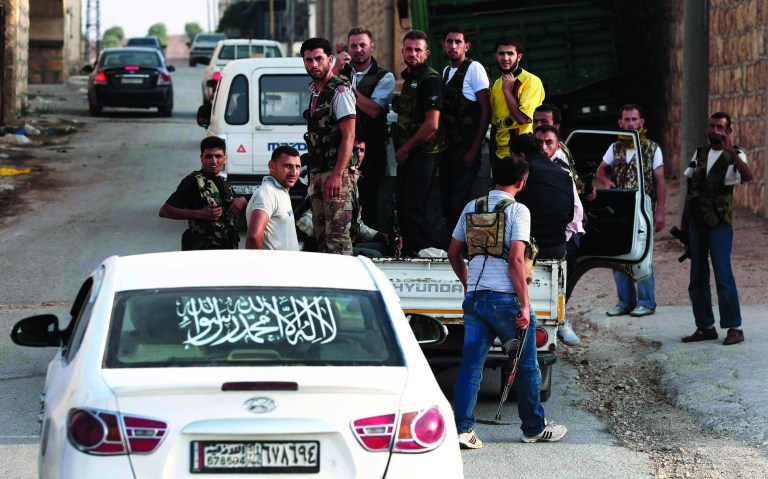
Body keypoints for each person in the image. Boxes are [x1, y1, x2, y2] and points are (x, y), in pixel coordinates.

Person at [448, 154, 567, 448]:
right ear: (522, 181)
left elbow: (453, 251)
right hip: (505, 301)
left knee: (471, 365)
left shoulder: (471, 207)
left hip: (475, 299)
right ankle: (533, 428)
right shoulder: (519, 212)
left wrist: (467, 282)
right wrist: (525, 306)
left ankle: (463, 429)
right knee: (526, 364)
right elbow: (515, 259)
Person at [681, 112, 753, 346]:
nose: (715, 131)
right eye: (712, 126)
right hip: (697, 223)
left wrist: (731, 151)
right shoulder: (700, 153)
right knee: (697, 276)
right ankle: (705, 326)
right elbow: (691, 188)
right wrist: (684, 224)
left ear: (728, 131)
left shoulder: (736, 154)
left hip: (720, 224)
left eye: (720, 127)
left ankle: (735, 327)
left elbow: (748, 177)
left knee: (723, 275)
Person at [596, 104, 666, 317]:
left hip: (642, 209)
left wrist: (660, 212)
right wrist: (605, 182)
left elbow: (660, 181)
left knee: (642, 256)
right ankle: (625, 301)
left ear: (641, 122)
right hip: (619, 209)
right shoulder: (615, 147)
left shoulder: (652, 148)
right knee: (619, 255)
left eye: (634, 119)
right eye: (626, 119)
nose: (630, 123)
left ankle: (646, 301)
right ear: (620, 123)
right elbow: (601, 170)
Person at [392, 30, 447, 256]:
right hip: (410, 154)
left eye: (417, 50)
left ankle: (426, 254)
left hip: (423, 153)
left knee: (414, 207)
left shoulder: (429, 79)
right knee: (404, 208)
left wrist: (405, 148)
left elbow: (432, 123)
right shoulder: (410, 78)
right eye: (408, 49)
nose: (412, 53)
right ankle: (411, 253)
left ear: (426, 53)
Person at [301, 37, 357, 255]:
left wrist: (337, 174)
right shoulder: (315, 92)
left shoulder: (339, 91)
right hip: (318, 173)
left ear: (330, 60)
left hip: (337, 175)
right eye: (308, 60)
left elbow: (349, 135)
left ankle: (346, 288)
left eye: (318, 59)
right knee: (322, 239)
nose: (314, 64)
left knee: (338, 241)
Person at [297, 139, 394, 257]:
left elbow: (356, 223)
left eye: (361, 150)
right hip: (327, 248)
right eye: (354, 149)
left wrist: (378, 235)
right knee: (375, 254)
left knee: (386, 246)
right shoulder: (332, 181)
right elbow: (303, 219)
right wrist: (334, 228)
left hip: (347, 241)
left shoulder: (353, 182)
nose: (358, 154)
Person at [439, 25, 491, 245]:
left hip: (465, 149)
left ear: (466, 46)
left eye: (457, 42)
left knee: (459, 202)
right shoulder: (445, 72)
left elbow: (486, 110)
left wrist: (474, 148)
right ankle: (454, 248)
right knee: (447, 203)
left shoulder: (474, 68)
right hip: (448, 149)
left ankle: (464, 249)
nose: (453, 46)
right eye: (449, 42)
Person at [534, 124, 584, 345]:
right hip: (529, 237)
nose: (544, 148)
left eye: (549, 143)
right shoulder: (525, 167)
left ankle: (561, 319)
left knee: (561, 276)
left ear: (558, 145)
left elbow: (575, 213)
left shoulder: (563, 172)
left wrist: (563, 240)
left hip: (558, 237)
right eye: (540, 143)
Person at [343, 27, 396, 230]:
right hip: (343, 148)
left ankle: (368, 249)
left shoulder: (384, 76)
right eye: (354, 45)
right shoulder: (341, 72)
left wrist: (350, 90)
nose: (358, 50)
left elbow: (374, 110)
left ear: (371, 47)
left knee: (367, 200)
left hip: (370, 150)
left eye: (363, 45)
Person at [159, 136, 247, 250]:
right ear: (202, 158)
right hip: (202, 253)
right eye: (209, 156)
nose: (214, 161)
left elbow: (238, 210)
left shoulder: (225, 183)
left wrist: (242, 200)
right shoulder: (192, 181)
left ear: (225, 159)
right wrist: (200, 213)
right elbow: (165, 211)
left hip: (227, 251)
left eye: (218, 156)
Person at [508, 133, 574, 261]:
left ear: (521, 156)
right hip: (557, 248)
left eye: (512, 156)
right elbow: (570, 216)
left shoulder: (521, 173)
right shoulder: (564, 175)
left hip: (526, 247)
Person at [489, 35, 545, 170]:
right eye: (501, 53)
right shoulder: (496, 85)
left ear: (519, 57)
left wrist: (507, 92)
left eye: (510, 53)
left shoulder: (531, 81)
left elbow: (522, 118)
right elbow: (495, 125)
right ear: (495, 56)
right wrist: (493, 159)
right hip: (501, 157)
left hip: (524, 156)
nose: (505, 58)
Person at [244, 146, 302, 250]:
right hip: (273, 266)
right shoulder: (267, 193)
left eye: (297, 167)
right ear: (271, 166)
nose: (294, 173)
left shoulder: (280, 191)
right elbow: (253, 237)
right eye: (288, 166)